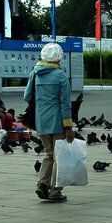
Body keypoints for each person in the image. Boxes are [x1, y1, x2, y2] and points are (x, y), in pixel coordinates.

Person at [25, 43, 74, 203]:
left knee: (48, 154)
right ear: (59, 58)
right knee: (59, 157)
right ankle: (54, 191)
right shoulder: (61, 76)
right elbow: (65, 104)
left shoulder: (35, 73)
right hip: (58, 122)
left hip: (41, 121)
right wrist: (68, 126)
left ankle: (42, 184)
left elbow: (27, 96)